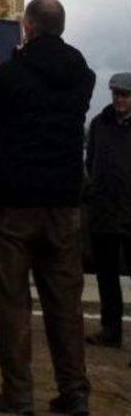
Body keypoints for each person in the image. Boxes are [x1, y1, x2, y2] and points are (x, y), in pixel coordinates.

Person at [0, 0, 95, 416]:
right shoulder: (82, 74)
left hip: (14, 202)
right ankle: (74, 391)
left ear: (27, 27)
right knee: (64, 302)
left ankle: (18, 395)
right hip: (62, 201)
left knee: (14, 301)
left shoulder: (12, 72)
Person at [84, 71, 131, 349]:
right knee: (107, 277)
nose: (119, 100)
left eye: (124, 95)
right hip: (103, 213)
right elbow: (90, 163)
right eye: (116, 94)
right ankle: (110, 330)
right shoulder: (99, 124)